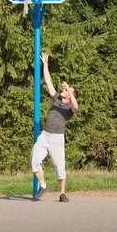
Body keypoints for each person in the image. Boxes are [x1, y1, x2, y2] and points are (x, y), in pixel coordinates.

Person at [31, 52, 79, 202]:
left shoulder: (70, 106)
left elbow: (76, 108)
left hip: (57, 138)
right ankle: (44, 186)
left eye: (68, 90)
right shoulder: (57, 98)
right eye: (66, 89)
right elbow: (48, 82)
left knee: (60, 168)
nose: (65, 89)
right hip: (45, 135)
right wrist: (45, 63)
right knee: (34, 160)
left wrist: (70, 93)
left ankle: (62, 193)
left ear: (71, 95)